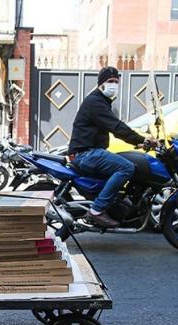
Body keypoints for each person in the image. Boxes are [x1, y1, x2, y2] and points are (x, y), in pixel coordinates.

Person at [68, 66, 157, 228]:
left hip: (90, 152)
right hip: (85, 153)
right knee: (126, 167)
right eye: (110, 81)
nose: (113, 85)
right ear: (101, 83)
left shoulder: (102, 102)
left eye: (116, 82)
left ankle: (113, 205)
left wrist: (137, 141)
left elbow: (115, 129)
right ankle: (97, 210)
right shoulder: (96, 102)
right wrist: (141, 140)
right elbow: (116, 126)